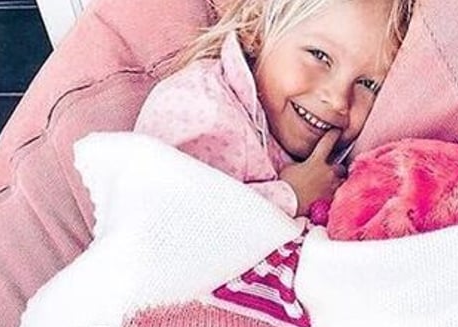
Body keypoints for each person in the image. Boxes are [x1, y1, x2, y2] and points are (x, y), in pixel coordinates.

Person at [133, 0, 414, 219]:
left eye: (368, 84)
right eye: (319, 56)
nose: (338, 99)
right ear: (255, 31)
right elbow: (163, 226)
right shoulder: (200, 109)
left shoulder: (348, 157)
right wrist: (291, 196)